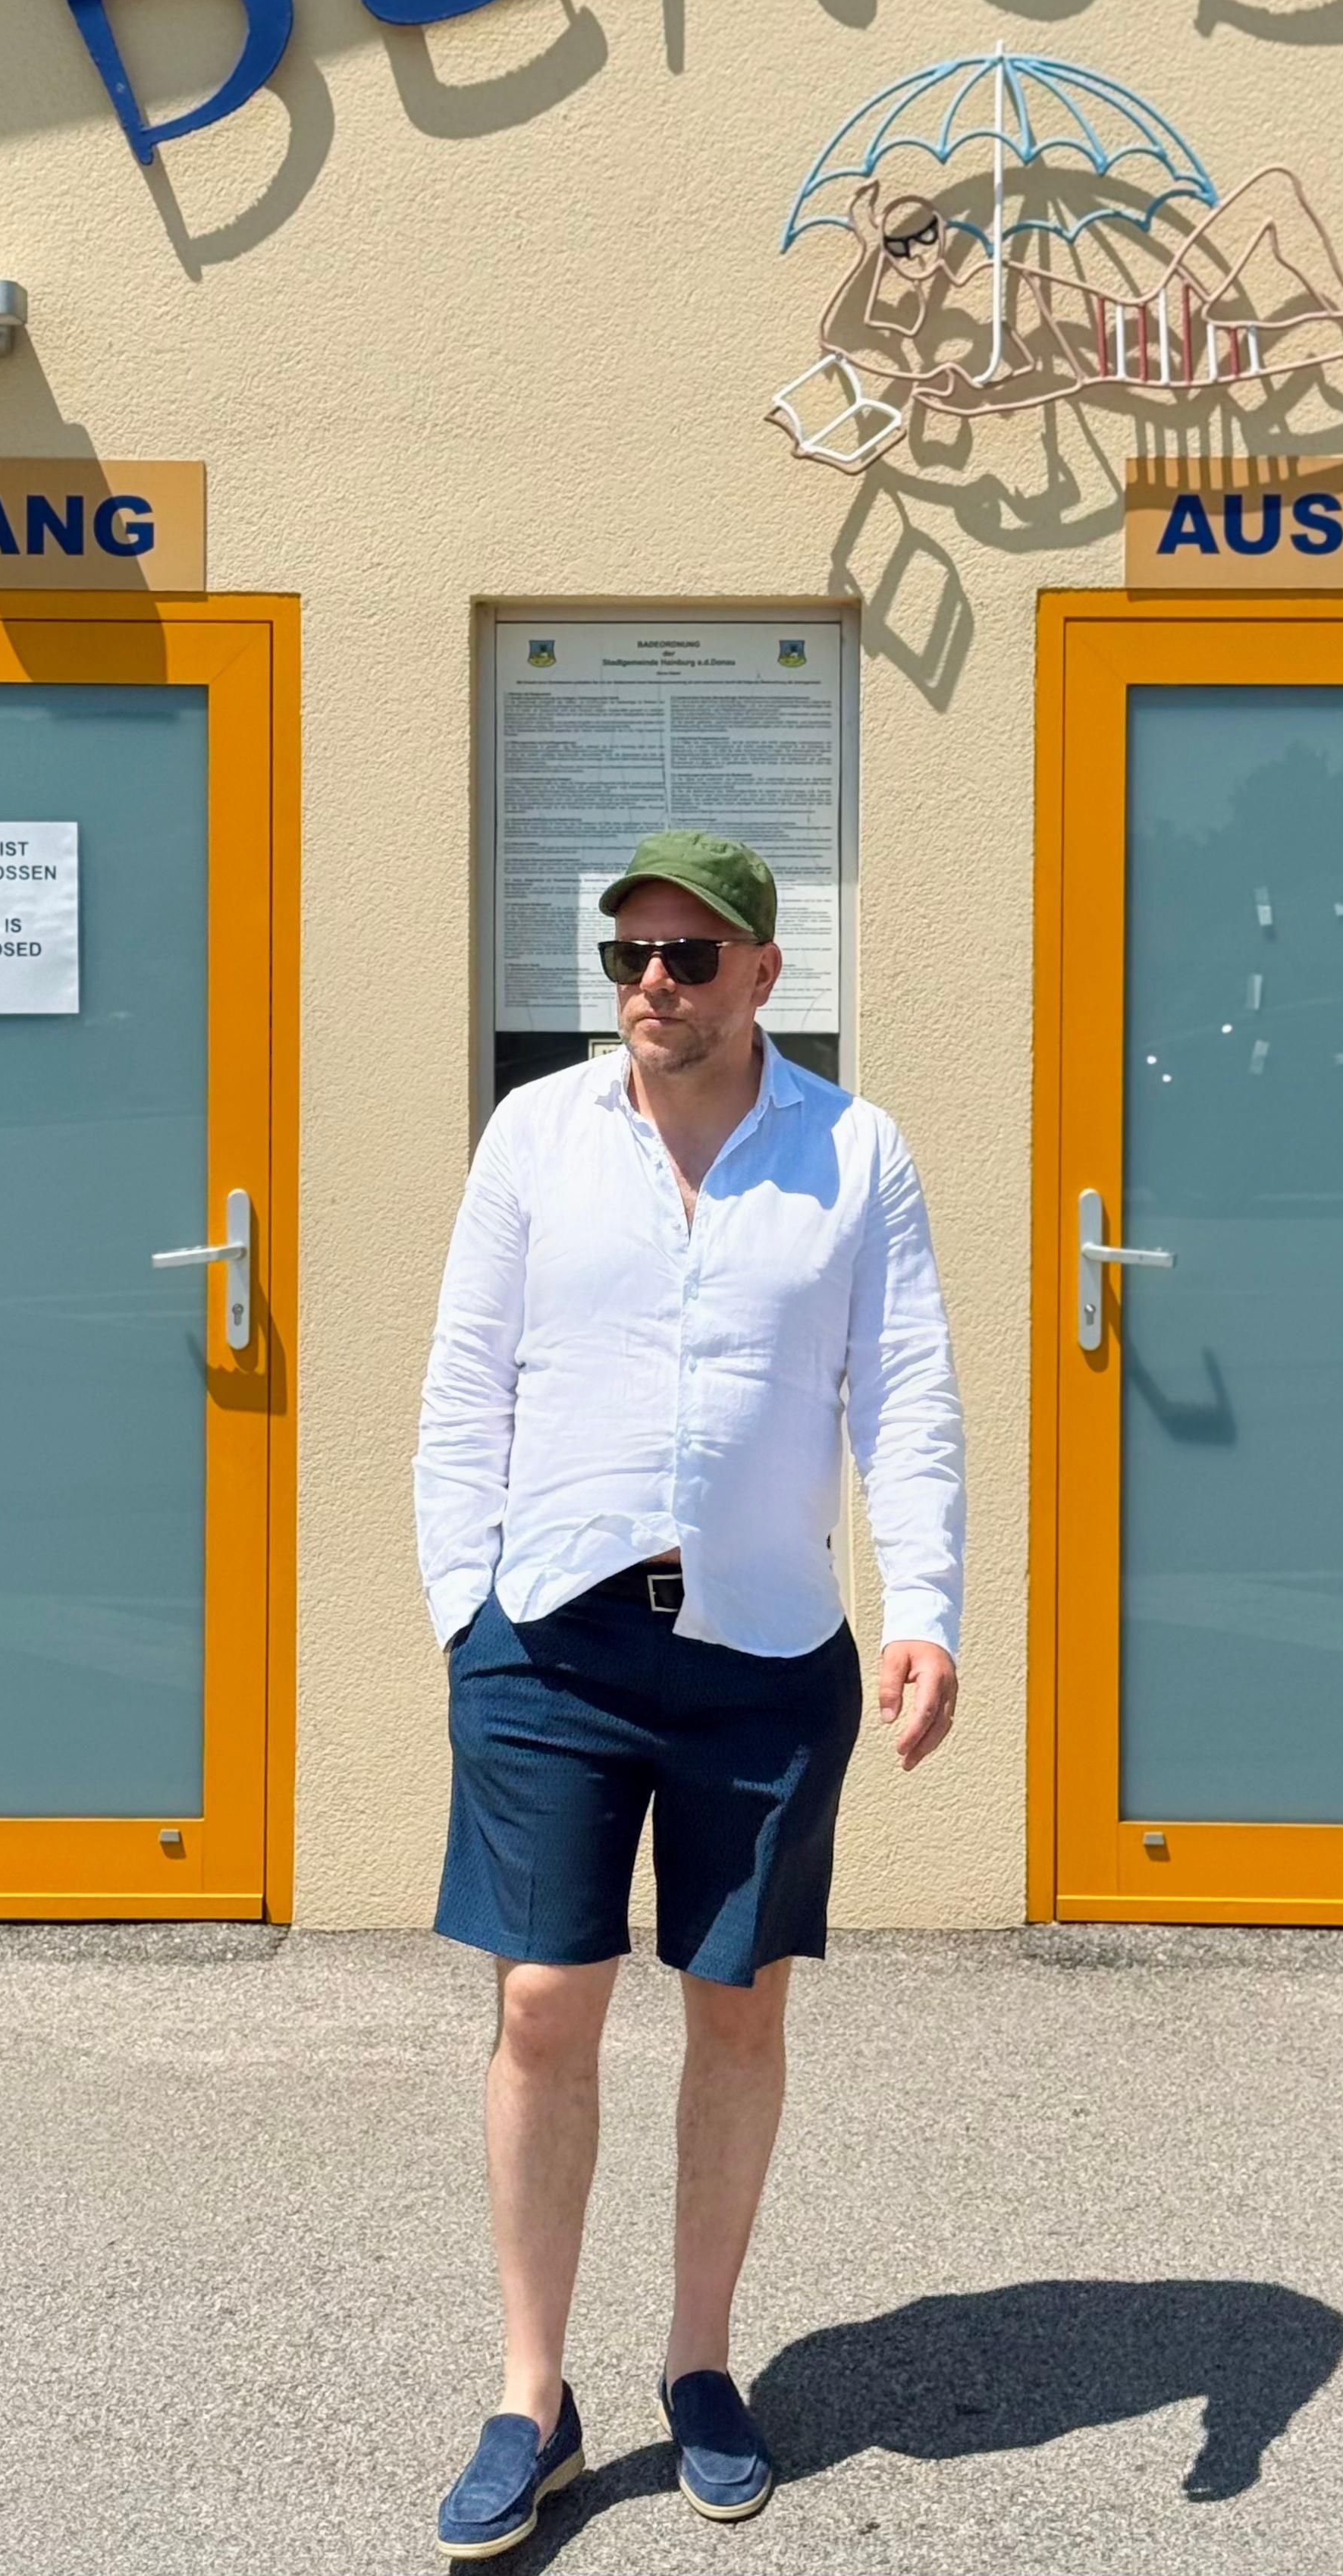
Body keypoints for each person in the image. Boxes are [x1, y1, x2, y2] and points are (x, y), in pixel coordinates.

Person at [416, 828, 965, 2559]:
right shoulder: (534, 1135)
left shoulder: (850, 1151)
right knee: (542, 2007)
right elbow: (460, 1390)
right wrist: (462, 1615)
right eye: (628, 953)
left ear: (759, 976)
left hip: (762, 1650)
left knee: (735, 2006)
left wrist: (924, 1603)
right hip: (550, 1643)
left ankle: (699, 2361)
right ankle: (529, 2393)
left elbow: (908, 1397)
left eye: (687, 952)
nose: (651, 980)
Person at [771, 171, 1343, 468]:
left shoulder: (965, 284)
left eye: (926, 231)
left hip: (1155, 310)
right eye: (904, 247)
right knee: (1307, 335)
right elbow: (841, 334)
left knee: (1275, 194)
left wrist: (885, 244)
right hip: (1163, 361)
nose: (921, 249)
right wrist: (868, 250)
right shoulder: (940, 367)